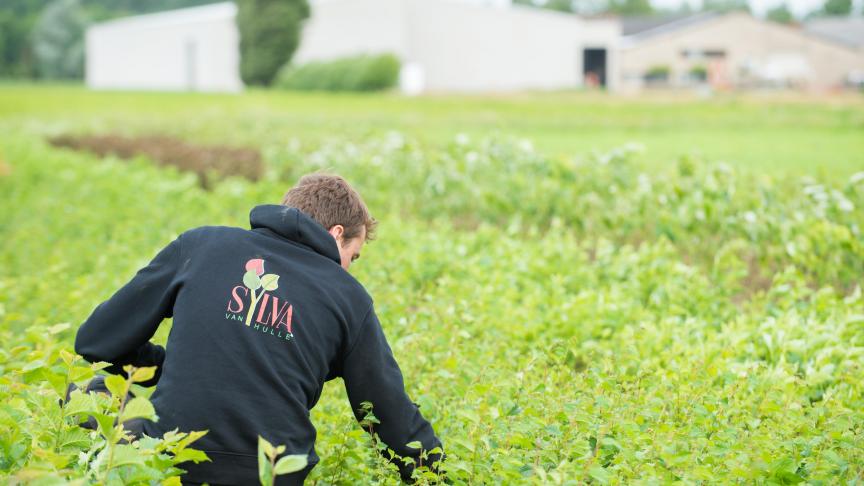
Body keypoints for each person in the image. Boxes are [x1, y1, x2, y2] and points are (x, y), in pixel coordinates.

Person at [69, 174, 444, 484]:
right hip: (272, 474)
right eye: (354, 255)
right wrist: (439, 477)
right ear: (335, 234)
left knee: (86, 388)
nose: (348, 269)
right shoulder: (347, 296)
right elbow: (388, 413)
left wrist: (160, 365)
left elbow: (96, 341)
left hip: (170, 464)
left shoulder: (200, 245)